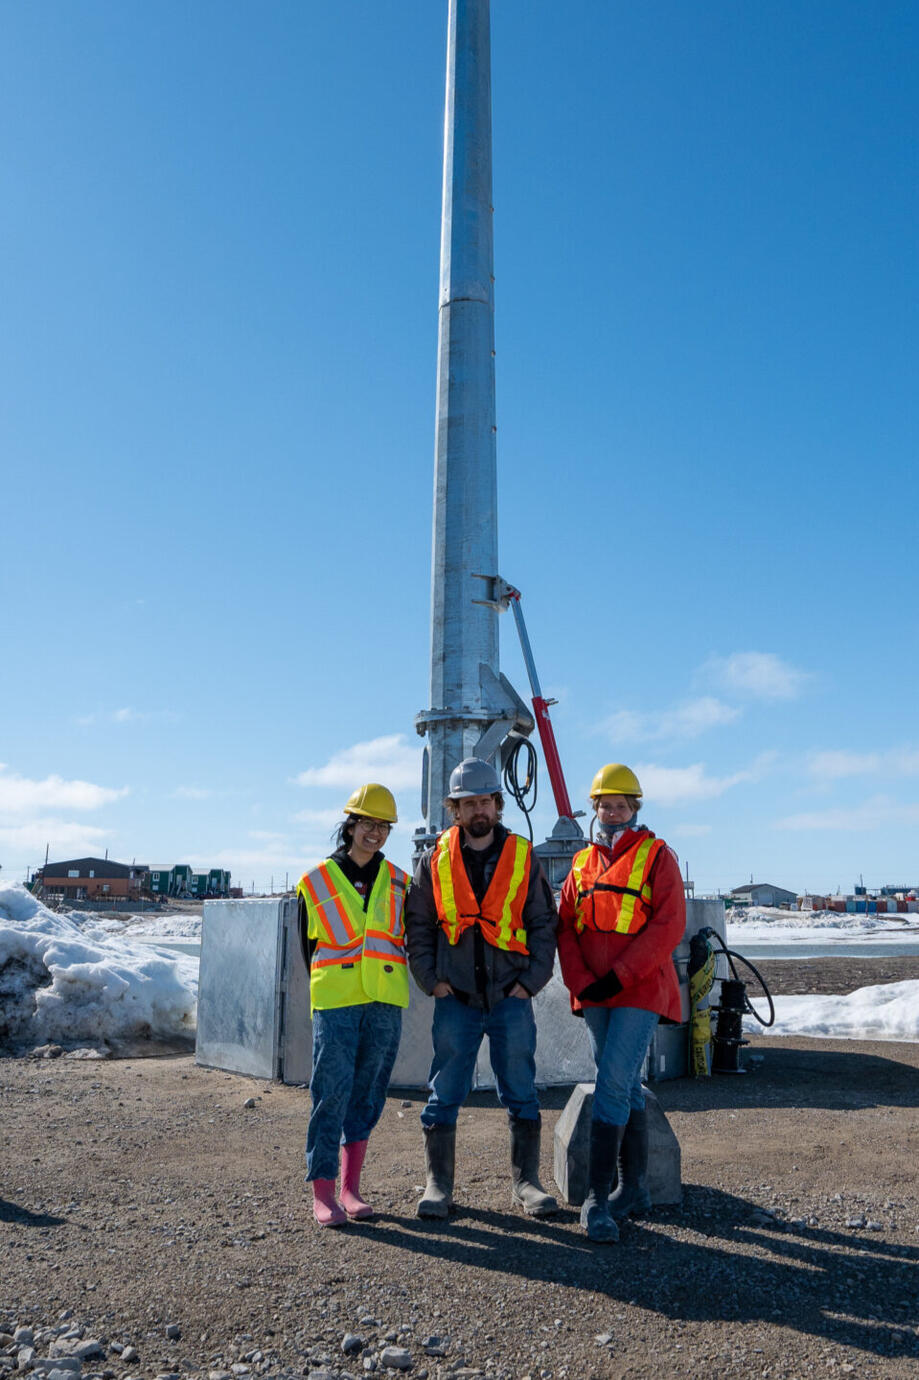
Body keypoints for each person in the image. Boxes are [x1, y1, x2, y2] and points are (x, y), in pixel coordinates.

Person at [405, 757, 559, 1220]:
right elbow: (419, 926)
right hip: (457, 999)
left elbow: (542, 924)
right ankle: (438, 1185)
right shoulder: (433, 860)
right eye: (468, 803)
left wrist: (531, 983)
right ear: (455, 809)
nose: (478, 811)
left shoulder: (522, 857)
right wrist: (431, 982)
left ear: (497, 804)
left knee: (520, 1089)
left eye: (485, 802)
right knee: (445, 1090)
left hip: (511, 996)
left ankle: (527, 1184)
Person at [557, 763, 685, 1243]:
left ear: (635, 808)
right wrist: (583, 981)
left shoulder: (657, 857)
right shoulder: (582, 863)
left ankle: (596, 1199)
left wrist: (620, 976)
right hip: (595, 993)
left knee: (610, 1081)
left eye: (620, 805)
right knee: (625, 1085)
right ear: (595, 810)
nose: (611, 812)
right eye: (604, 805)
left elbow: (668, 925)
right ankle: (633, 1190)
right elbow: (566, 925)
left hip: (640, 989)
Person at [296, 783, 410, 1227]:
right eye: (367, 823)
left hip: (384, 1000)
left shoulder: (401, 881)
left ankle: (351, 1189)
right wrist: (331, 991)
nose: (375, 833)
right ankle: (322, 1191)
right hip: (337, 1003)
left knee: (368, 1094)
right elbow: (308, 948)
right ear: (350, 825)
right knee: (330, 1094)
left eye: (383, 826)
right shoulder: (317, 880)